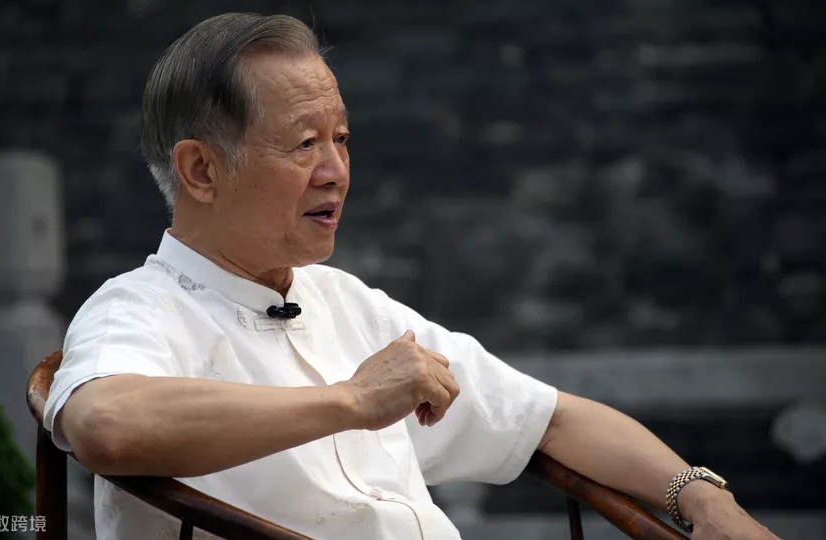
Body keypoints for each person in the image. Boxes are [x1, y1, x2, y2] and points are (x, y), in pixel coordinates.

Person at [43, 12, 779, 540]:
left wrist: (703, 500)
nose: (336, 171)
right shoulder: (138, 309)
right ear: (202, 170)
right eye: (304, 144)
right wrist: (351, 401)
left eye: (341, 139)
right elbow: (105, 425)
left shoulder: (346, 303)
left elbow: (549, 420)